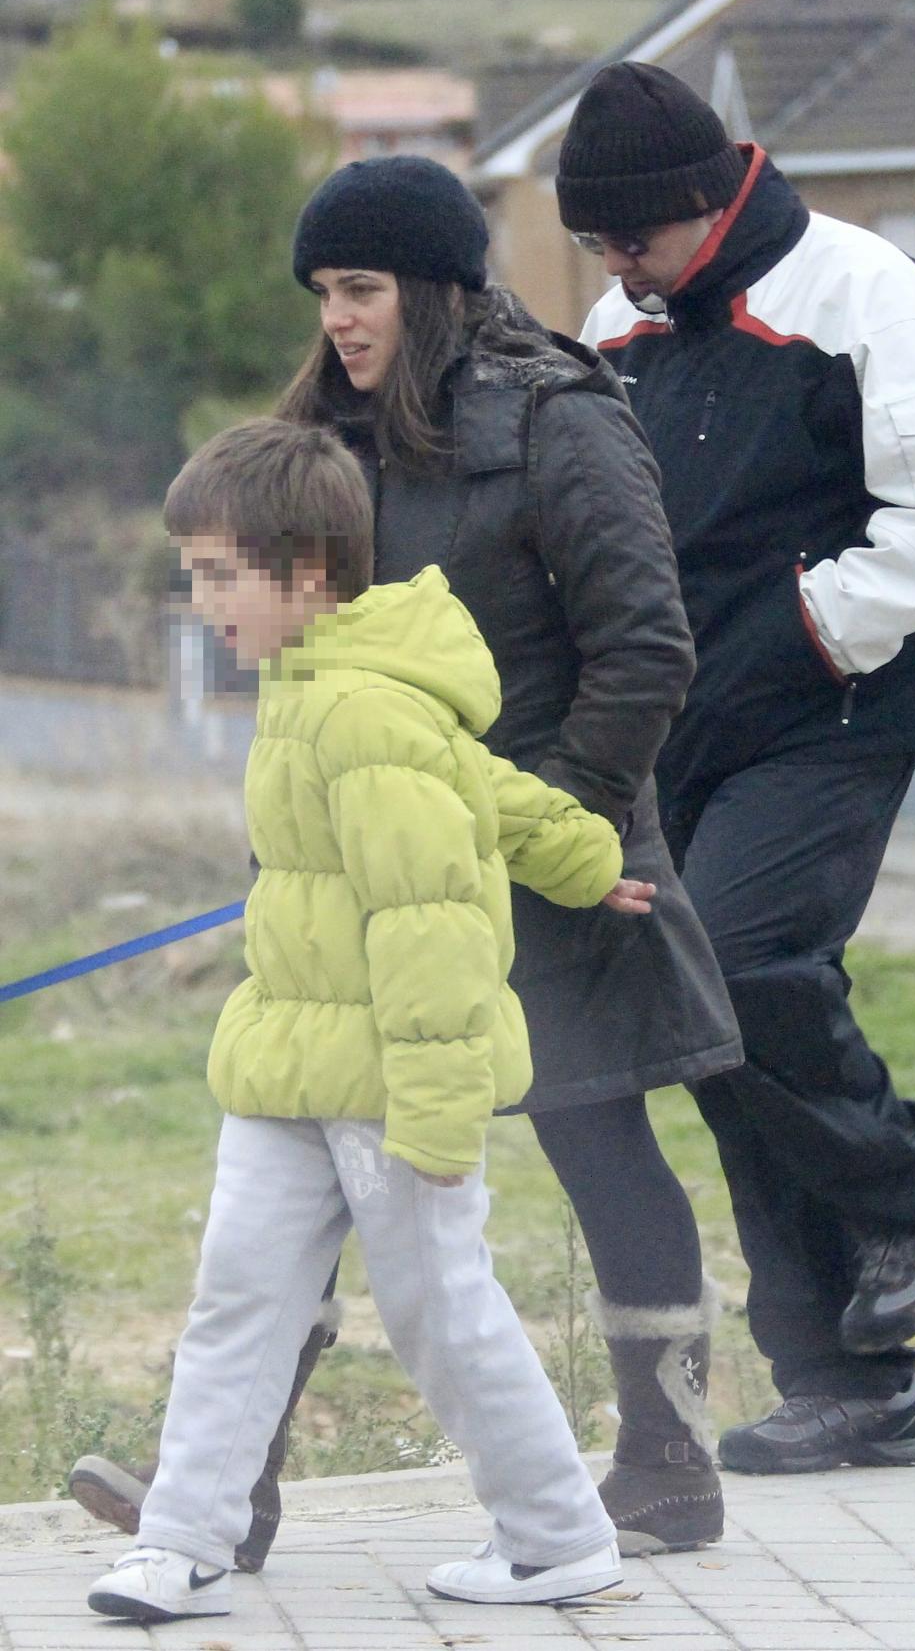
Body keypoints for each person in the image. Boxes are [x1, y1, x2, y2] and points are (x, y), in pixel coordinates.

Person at [71, 156, 743, 1562]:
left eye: (363, 288)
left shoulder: (564, 420)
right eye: (323, 293)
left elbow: (645, 649)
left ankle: (669, 1461)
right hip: (377, 863)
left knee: (598, 1137)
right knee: (306, 1158)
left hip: (563, 835)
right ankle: (227, 1498)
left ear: (436, 288)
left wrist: (556, 828)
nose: (341, 319)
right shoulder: (319, 432)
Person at [88, 416, 649, 1623]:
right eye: (195, 574)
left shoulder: (358, 711)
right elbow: (481, 784)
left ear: (304, 573)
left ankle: (557, 1536)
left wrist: (440, 1116)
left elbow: (430, 911)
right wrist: (578, 853)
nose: (203, 602)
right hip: (295, 1060)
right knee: (239, 1294)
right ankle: (182, 1539)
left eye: (219, 575)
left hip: (394, 1085)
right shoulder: (319, 689)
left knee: (442, 1311)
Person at [555, 62, 915, 1474]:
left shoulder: (869, 293)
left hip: (836, 701)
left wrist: (807, 631)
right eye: (596, 244)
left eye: (632, 238)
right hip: (691, 719)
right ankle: (849, 1381)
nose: (614, 266)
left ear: (704, 201)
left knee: (735, 960)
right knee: (701, 1016)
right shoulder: (624, 323)